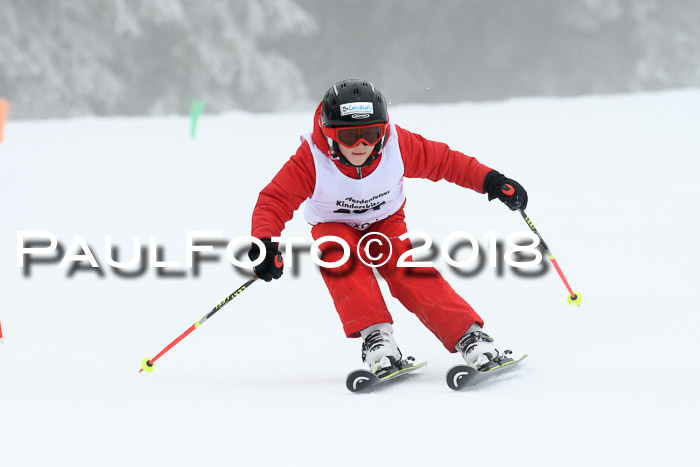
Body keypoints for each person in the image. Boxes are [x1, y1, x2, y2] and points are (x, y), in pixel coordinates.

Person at [248, 79, 527, 377]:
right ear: (330, 136)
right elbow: (274, 200)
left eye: (369, 134)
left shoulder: (397, 145)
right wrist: (264, 242)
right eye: (349, 136)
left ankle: (468, 335)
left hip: (385, 221)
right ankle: (376, 339)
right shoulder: (312, 158)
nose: (361, 145)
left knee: (406, 269)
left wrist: (492, 181)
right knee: (339, 258)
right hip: (333, 224)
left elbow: (446, 162)